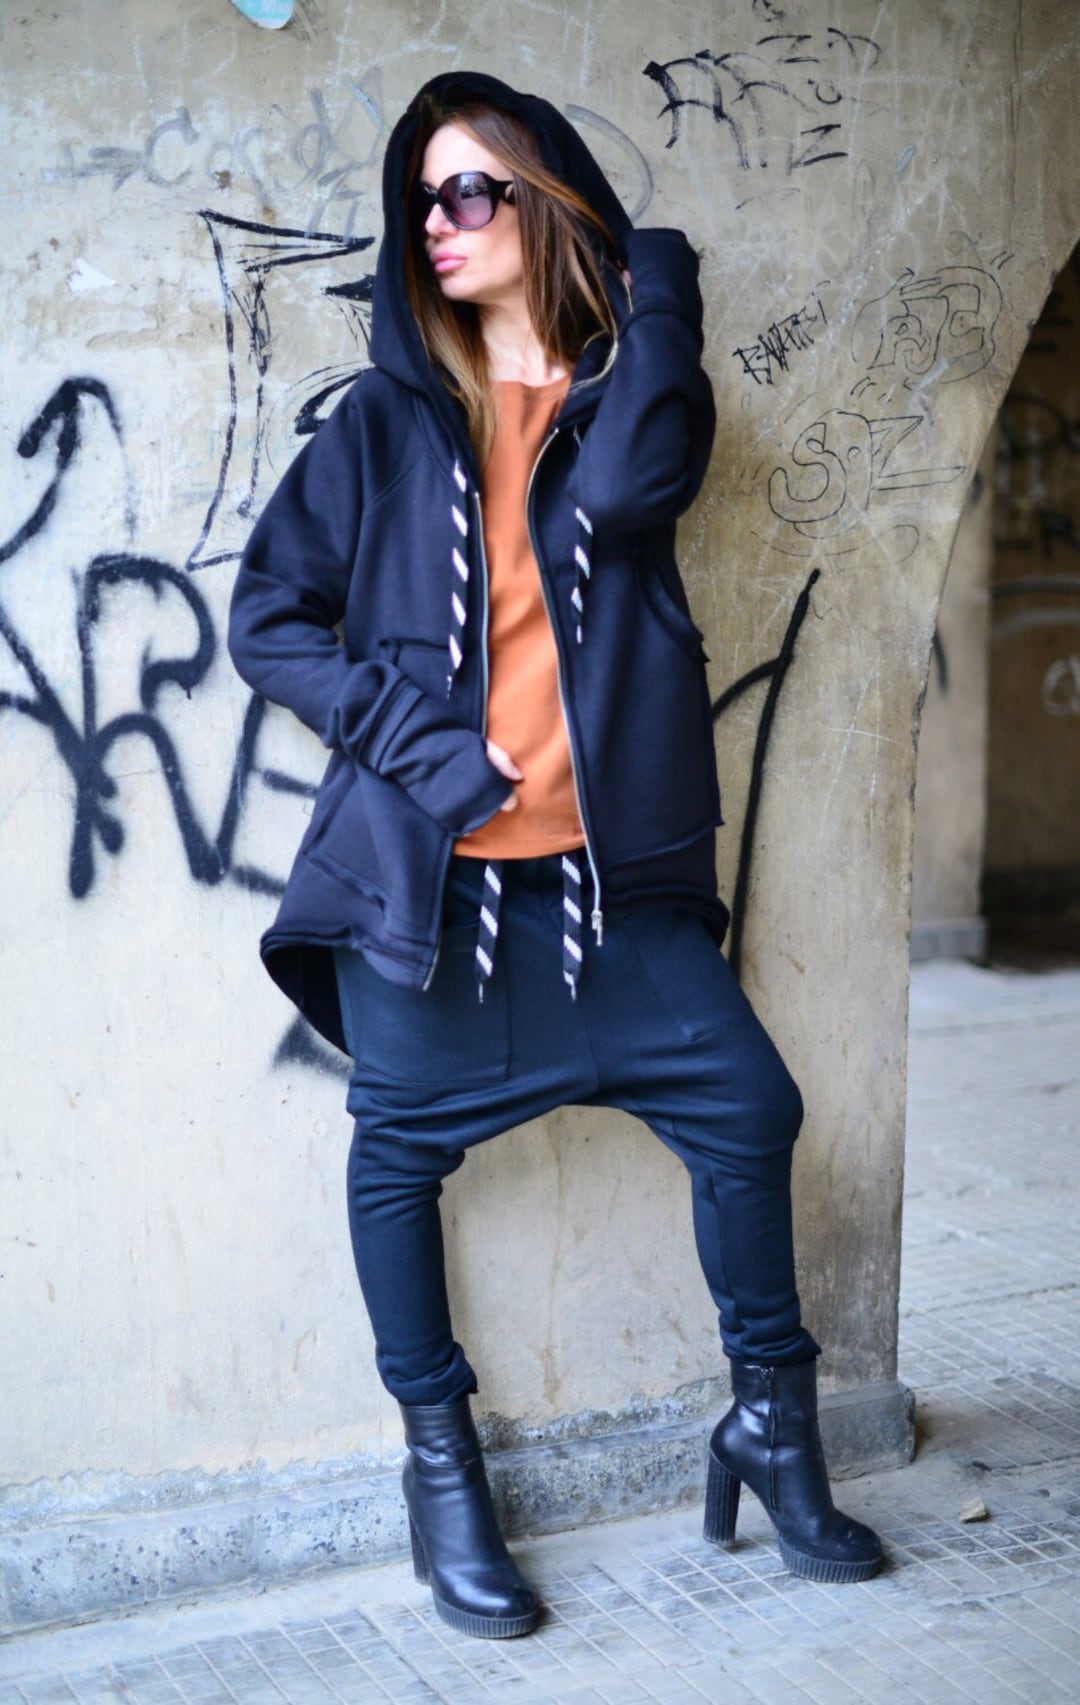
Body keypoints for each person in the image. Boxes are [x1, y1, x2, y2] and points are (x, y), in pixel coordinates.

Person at [228, 69, 883, 1641]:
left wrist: (649, 275)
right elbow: (268, 621)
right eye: (421, 203)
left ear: (548, 201)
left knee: (753, 1108)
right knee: (397, 1156)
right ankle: (441, 1469)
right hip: (438, 905)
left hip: (613, 902)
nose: (437, 224)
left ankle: (772, 1424)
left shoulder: (621, 403)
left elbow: (645, 484)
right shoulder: (383, 428)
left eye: (471, 190)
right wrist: (430, 751)